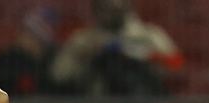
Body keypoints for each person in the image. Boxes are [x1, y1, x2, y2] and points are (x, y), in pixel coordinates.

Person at [51, 0, 183, 96]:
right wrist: (83, 55)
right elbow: (58, 75)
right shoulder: (82, 39)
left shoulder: (150, 35)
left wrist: (142, 55)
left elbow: (176, 67)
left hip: (144, 102)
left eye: (115, 7)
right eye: (104, 7)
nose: (110, 10)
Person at [0, 7, 61, 96]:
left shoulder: (53, 60)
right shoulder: (9, 59)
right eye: (24, 33)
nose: (22, 38)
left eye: (30, 35)